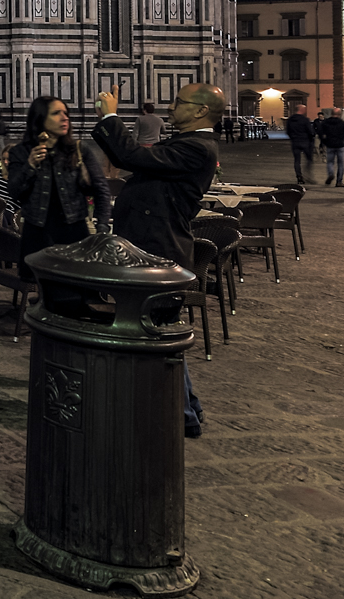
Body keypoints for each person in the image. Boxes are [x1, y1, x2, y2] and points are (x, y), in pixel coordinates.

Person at [93, 83, 226, 438]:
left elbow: (131, 157)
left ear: (200, 112)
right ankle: (186, 410)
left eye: (179, 102)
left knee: (152, 332)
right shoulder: (191, 144)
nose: (171, 106)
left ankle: (181, 415)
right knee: (154, 332)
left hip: (159, 251)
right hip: (152, 247)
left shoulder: (197, 147)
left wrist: (109, 115)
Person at [5, 96, 111, 261]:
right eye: (56, 113)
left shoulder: (78, 149)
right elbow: (14, 192)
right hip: (38, 234)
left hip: (74, 233)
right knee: (42, 285)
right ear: (40, 118)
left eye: (66, 113)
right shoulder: (21, 152)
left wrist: (102, 227)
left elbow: (101, 189)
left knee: (77, 284)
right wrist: (30, 166)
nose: (64, 118)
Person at [316, 108, 344, 187]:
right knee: (341, 163)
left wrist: (324, 142)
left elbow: (320, 133)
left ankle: (331, 173)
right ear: (339, 115)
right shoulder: (343, 123)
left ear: (331, 114)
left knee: (330, 162)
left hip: (330, 144)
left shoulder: (325, 122)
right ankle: (339, 181)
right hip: (340, 145)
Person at [283, 105, 316, 184]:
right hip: (305, 141)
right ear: (302, 110)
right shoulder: (305, 120)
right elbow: (310, 132)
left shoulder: (290, 120)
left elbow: (288, 131)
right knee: (309, 159)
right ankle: (307, 175)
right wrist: (311, 138)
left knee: (297, 160)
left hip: (295, 141)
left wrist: (293, 137)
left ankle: (299, 176)